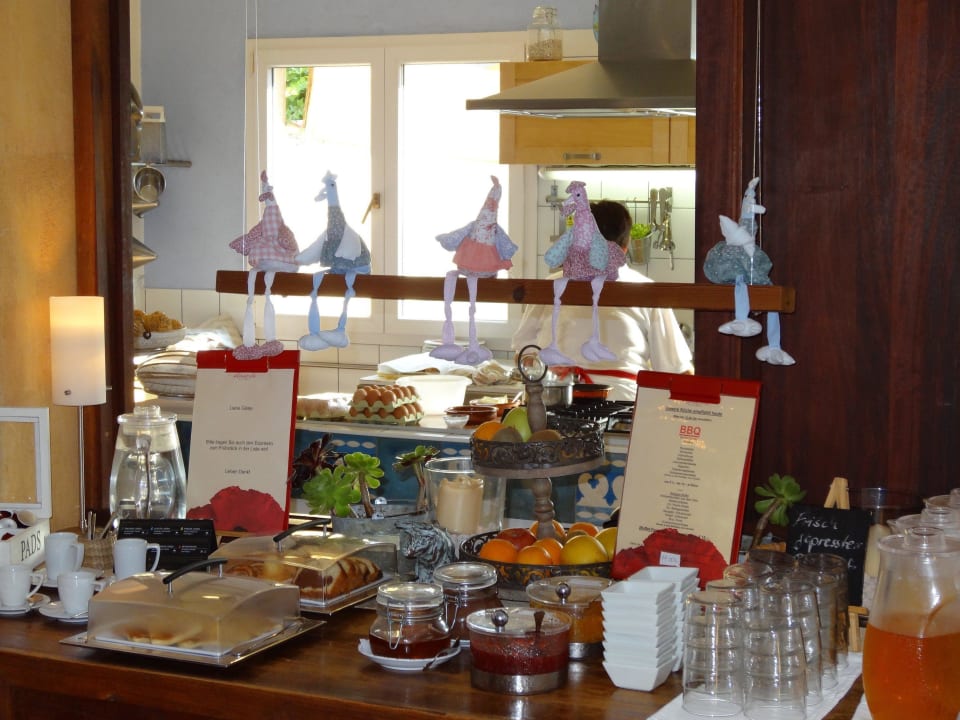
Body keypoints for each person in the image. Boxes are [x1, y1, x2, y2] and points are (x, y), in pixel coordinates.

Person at [512, 199, 694, 401]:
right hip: (620, 406)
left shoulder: (549, 287)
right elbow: (678, 372)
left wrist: (549, 369)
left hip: (555, 401)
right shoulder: (648, 293)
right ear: (625, 247)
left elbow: (523, 354)